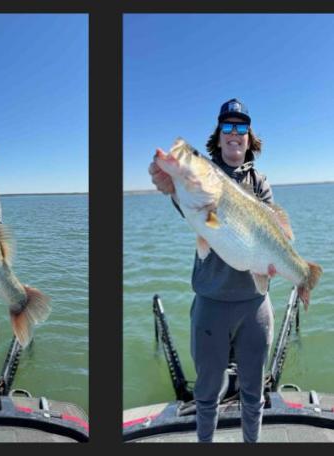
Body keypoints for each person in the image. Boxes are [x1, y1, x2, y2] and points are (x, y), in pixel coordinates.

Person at [148, 98, 274, 443]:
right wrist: (170, 181)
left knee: (253, 393)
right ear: (218, 136)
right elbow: (187, 199)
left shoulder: (260, 183)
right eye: (227, 126)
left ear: (249, 137)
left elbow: (272, 231)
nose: (234, 132)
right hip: (210, 303)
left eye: (241, 126)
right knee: (205, 394)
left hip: (254, 303)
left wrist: (280, 266)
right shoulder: (200, 180)